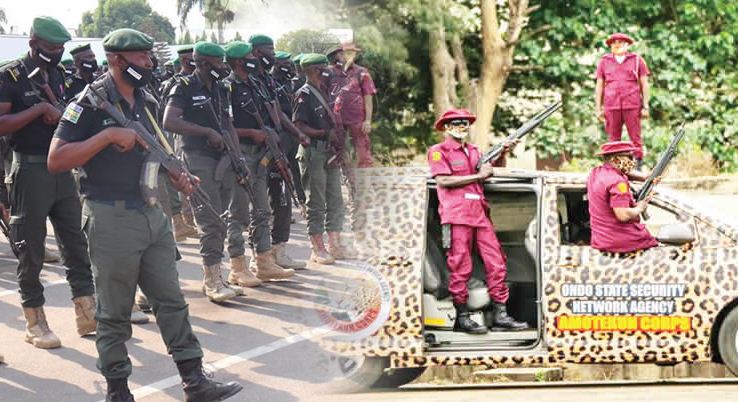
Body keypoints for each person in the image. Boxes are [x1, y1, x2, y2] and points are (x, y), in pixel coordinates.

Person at [48, 28, 243, 402]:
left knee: (171, 301)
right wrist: (105, 138)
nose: (150, 64)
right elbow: (57, 160)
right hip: (111, 218)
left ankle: (194, 380)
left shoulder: (146, 100)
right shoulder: (88, 104)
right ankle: (118, 390)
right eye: (141, 58)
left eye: (150, 57)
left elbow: (158, 152)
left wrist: (179, 176)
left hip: (152, 214)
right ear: (117, 60)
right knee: (114, 311)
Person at [0, 16, 96, 349]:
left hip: (63, 171)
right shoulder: (10, 76)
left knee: (75, 242)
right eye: (50, 48)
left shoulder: (58, 74)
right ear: (33, 43)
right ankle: (35, 321)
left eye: (60, 49)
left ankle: (87, 312)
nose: (56, 53)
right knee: (31, 249)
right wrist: (38, 108)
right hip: (30, 170)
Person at [427, 108, 528, 334]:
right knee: (460, 266)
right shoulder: (438, 151)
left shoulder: (474, 151)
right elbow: (443, 180)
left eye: (465, 122)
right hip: (456, 215)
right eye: (456, 122)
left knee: (497, 262)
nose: (462, 126)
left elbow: (493, 172)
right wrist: (478, 176)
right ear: (446, 127)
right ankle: (462, 317)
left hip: (479, 215)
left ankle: (501, 314)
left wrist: (502, 154)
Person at [163, 41, 243, 303]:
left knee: (222, 217)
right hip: (198, 159)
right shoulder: (183, 87)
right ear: (205, 63)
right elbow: (170, 121)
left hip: (223, 160)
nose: (224, 67)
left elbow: (228, 122)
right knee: (210, 220)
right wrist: (206, 132)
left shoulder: (222, 88)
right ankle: (211, 280)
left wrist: (237, 155)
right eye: (219, 63)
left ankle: (219, 275)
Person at [223, 40, 295, 283]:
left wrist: (273, 133)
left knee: (262, 209)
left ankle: (263, 261)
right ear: (240, 61)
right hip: (241, 152)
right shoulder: (227, 87)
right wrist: (251, 133)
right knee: (239, 212)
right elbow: (225, 126)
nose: (255, 60)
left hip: (263, 152)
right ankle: (237, 267)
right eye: (250, 57)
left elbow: (271, 115)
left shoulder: (256, 84)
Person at [248, 34, 309, 270]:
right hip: (255, 151)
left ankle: (279, 250)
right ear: (254, 53)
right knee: (260, 207)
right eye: (267, 50)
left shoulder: (268, 81)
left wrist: (297, 133)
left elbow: (280, 114)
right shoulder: (245, 81)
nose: (271, 55)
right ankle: (259, 257)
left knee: (283, 199)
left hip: (277, 148)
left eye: (273, 50)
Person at [293, 54, 357, 264]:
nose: (327, 72)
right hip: (313, 153)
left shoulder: (326, 92)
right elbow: (299, 126)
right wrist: (322, 134)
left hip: (330, 152)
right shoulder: (304, 94)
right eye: (322, 69)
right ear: (311, 71)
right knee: (317, 201)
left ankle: (335, 244)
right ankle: (317, 248)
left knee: (336, 198)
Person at [587, 141, 658, 254]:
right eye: (629, 157)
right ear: (615, 159)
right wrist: (640, 207)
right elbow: (623, 215)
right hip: (621, 240)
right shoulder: (618, 183)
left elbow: (622, 173)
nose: (632, 161)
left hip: (601, 239)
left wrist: (646, 177)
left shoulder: (595, 173)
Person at [595, 32, 650, 168]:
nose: (617, 45)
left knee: (635, 138)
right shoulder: (604, 61)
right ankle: (614, 168)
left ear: (627, 45)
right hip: (611, 105)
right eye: (614, 43)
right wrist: (598, 109)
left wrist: (646, 106)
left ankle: (637, 165)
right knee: (613, 139)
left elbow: (645, 84)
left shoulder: (637, 60)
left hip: (632, 104)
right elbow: (599, 86)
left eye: (620, 42)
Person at [326, 43, 377, 168]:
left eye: (353, 53)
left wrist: (368, 120)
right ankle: (346, 179)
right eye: (346, 53)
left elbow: (368, 96)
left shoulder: (361, 72)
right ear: (338, 54)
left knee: (363, 152)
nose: (349, 56)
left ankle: (364, 182)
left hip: (356, 118)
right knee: (337, 151)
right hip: (336, 119)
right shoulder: (329, 72)